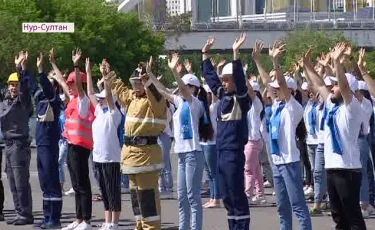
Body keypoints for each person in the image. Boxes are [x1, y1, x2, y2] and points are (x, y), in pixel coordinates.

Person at [304, 43, 366, 229]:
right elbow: (319, 84)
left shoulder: (352, 107)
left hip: (348, 169)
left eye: (336, 86)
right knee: (338, 217)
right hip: (332, 168)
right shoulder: (332, 106)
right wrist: (307, 65)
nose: (332, 88)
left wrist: (338, 62)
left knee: (352, 216)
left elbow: (344, 86)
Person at [202, 34, 251, 230]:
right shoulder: (223, 97)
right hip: (221, 152)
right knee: (227, 197)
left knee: (237, 195)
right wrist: (205, 55)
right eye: (223, 80)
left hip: (233, 153)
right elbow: (212, 81)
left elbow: (239, 79)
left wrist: (235, 54)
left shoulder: (242, 99)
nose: (223, 83)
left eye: (227, 80)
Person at [110, 60, 167, 230]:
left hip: (146, 158)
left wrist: (147, 79)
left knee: (148, 201)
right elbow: (120, 91)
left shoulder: (155, 101)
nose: (136, 85)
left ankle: (151, 227)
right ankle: (140, 226)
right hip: (131, 158)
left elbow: (156, 95)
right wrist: (109, 74)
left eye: (139, 82)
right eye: (134, 82)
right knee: (136, 200)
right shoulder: (133, 98)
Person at [25, 53, 63, 229]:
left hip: (49, 143)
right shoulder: (41, 98)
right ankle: (47, 215)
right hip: (40, 143)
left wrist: (41, 70)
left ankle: (54, 218)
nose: (45, 83)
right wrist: (23, 68)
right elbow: (32, 85)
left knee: (52, 179)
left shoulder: (54, 99)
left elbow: (46, 87)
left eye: (49, 80)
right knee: (44, 181)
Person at [62, 49, 95, 230]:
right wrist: (51, 66)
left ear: (80, 84)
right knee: (75, 184)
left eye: (72, 84)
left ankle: (86, 220)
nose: (69, 86)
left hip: (81, 147)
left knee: (82, 184)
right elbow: (62, 81)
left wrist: (76, 65)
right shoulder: (72, 100)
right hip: (71, 145)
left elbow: (81, 88)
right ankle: (79, 217)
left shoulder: (83, 101)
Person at [1, 52, 34, 226]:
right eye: (11, 85)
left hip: (19, 145)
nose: (13, 87)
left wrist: (19, 69)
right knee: (12, 182)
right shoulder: (5, 102)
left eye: (16, 84)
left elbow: (26, 90)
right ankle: (19, 211)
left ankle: (26, 213)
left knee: (21, 182)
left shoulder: (23, 101)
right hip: (8, 145)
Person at [244, 80, 266, 204]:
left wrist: (243, 76)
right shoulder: (249, 106)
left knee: (249, 170)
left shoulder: (257, 104)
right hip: (254, 141)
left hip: (252, 142)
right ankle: (260, 194)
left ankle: (247, 196)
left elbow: (251, 92)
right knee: (256, 170)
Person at [201, 84, 221, 208]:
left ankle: (216, 199)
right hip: (203, 143)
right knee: (209, 173)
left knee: (214, 173)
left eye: (209, 94)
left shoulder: (213, 108)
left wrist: (214, 74)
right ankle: (212, 197)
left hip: (211, 144)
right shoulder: (202, 109)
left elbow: (215, 96)